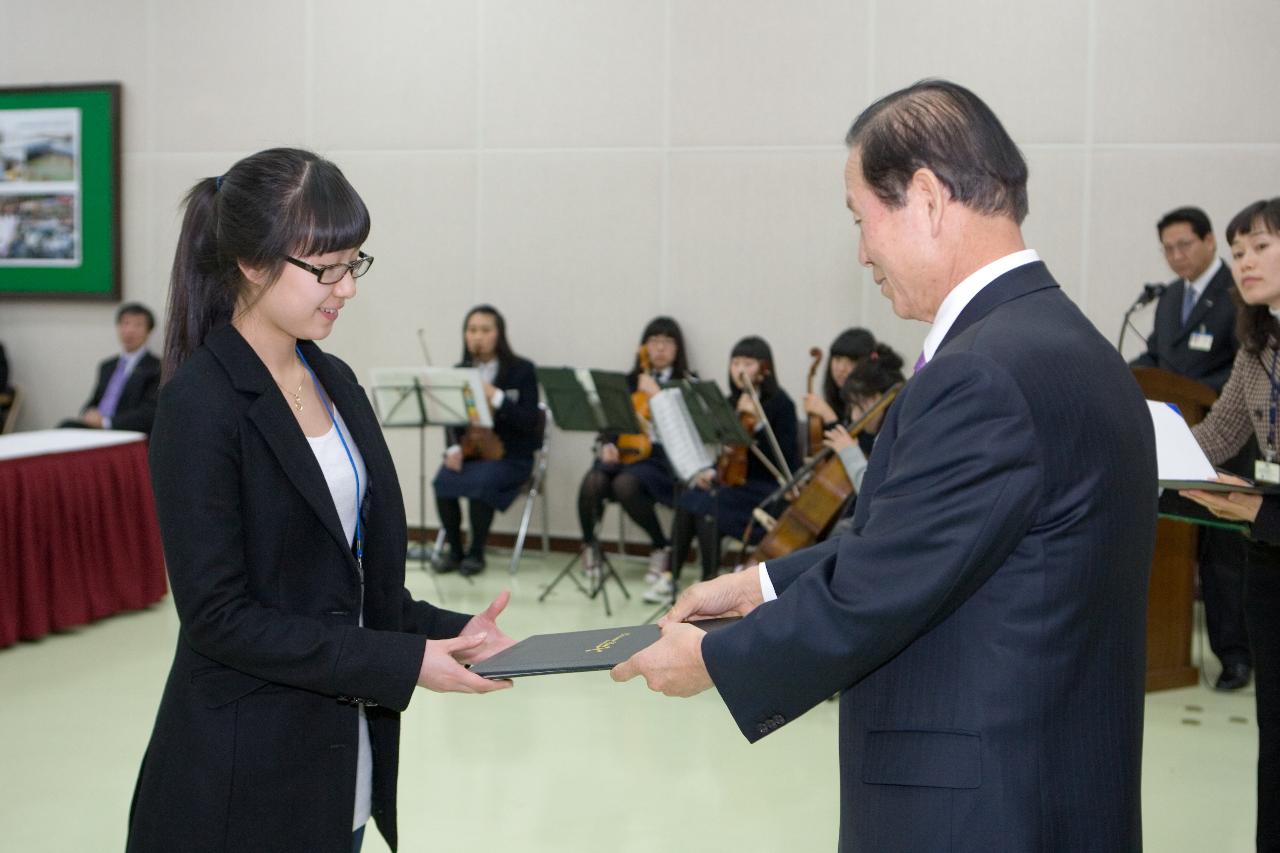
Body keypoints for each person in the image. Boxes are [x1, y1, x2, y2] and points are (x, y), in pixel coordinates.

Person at [613, 80, 1157, 852]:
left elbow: (880, 590)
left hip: (976, 811)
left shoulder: (984, 373)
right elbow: (932, 542)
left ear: (928, 199)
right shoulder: (1071, 346)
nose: (862, 251)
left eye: (859, 218)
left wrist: (714, 657)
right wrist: (761, 583)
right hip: (1053, 783)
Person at [126, 148, 515, 853]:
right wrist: (401, 662)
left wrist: (458, 632)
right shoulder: (200, 404)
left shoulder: (332, 378)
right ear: (252, 262)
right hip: (244, 776)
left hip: (342, 764)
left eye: (354, 263)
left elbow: (353, 588)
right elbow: (220, 616)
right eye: (327, 268)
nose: (346, 288)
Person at [1180, 197, 1280, 852]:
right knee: (1274, 732)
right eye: (1238, 250)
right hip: (1271, 554)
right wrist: (1143, 444)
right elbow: (1215, 438)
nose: (1243, 260)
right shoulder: (1255, 346)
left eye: (1261, 246)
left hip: (1267, 517)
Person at [1132, 206, 1252, 689]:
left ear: (1208, 243)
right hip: (1177, 440)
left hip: (1225, 439)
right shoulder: (1168, 299)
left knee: (1222, 558)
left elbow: (1238, 371)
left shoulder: (1237, 293)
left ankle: (1236, 656)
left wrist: (1186, 386)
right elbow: (1158, 357)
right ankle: (1163, 648)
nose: (1177, 256)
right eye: (1168, 248)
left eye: (1185, 245)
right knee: (1170, 544)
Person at [644, 335, 798, 604]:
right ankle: (670, 576)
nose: (739, 369)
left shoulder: (781, 404)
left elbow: (787, 461)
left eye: (747, 363)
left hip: (767, 490)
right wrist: (711, 472)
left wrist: (760, 424)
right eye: (735, 362)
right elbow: (729, 453)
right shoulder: (729, 401)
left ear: (764, 368)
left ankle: (709, 581)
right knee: (689, 499)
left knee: (708, 510)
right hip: (734, 483)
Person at [577, 316, 691, 586]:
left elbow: (686, 433)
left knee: (625, 485)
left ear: (678, 349)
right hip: (625, 453)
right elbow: (609, 423)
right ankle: (590, 545)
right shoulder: (628, 382)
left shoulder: (685, 383)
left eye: (667, 342)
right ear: (644, 346)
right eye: (654, 341)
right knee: (594, 481)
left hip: (661, 460)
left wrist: (657, 396)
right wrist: (607, 445)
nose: (660, 348)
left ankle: (659, 546)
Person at [432, 305, 540, 576]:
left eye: (485, 330)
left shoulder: (522, 370)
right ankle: (455, 551)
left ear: (499, 334)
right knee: (443, 480)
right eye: (471, 330)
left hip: (511, 456)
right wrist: (454, 448)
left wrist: (496, 396)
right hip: (471, 453)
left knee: (482, 482)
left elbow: (529, 422)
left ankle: (476, 552)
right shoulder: (459, 371)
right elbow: (452, 420)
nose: (477, 337)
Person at [60, 302, 161, 434]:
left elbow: (149, 413)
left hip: (126, 432)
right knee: (65, 427)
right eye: (125, 323)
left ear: (149, 331)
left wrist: (106, 422)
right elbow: (94, 401)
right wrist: (88, 413)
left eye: (137, 325)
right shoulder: (107, 366)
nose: (130, 330)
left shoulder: (157, 367)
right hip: (97, 429)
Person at [803, 326, 876, 456]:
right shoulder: (836, 396)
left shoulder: (871, 404)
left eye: (851, 361)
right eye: (837, 359)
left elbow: (862, 454)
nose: (841, 368)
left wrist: (830, 418)